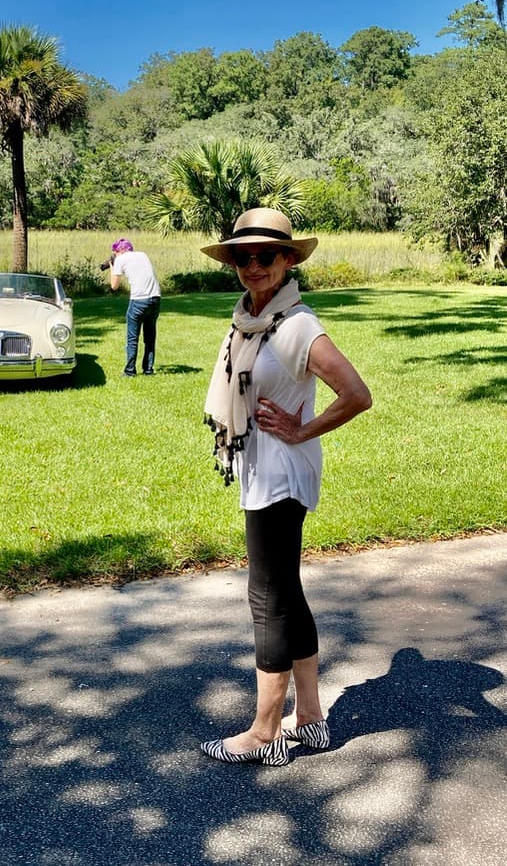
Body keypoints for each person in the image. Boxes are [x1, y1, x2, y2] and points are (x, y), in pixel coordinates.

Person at [198, 207, 372, 767]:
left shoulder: (296, 325)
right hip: (260, 467)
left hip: (282, 474)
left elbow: (356, 393)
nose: (254, 266)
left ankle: (264, 730)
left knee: (267, 598)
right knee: (286, 591)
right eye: (243, 257)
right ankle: (313, 719)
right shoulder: (249, 319)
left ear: (288, 259)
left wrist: (301, 428)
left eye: (266, 256)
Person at [108, 238, 161, 377]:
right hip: (155, 298)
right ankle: (148, 369)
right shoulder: (142, 254)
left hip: (138, 300)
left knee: (132, 338)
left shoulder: (119, 259)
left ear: (118, 251)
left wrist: (112, 266)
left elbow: (114, 286)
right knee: (149, 337)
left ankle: (130, 370)